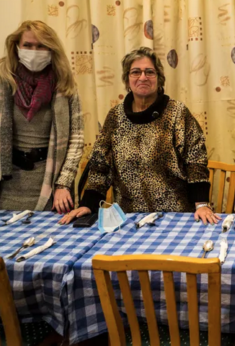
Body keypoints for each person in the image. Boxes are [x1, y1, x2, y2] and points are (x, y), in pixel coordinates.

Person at [59, 47, 216, 225]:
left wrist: (201, 204)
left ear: (159, 78)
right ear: (127, 79)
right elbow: (100, 166)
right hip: (127, 219)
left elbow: (195, 160)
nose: (143, 77)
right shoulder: (115, 117)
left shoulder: (177, 112)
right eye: (135, 72)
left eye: (149, 72)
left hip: (174, 216)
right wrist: (88, 204)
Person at [0, 20, 83, 213]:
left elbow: (77, 138)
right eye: (27, 45)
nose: (34, 51)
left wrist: (63, 183)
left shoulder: (64, 82)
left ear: (51, 48)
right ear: (16, 46)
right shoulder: (4, 79)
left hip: (51, 184)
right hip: (8, 184)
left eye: (41, 46)